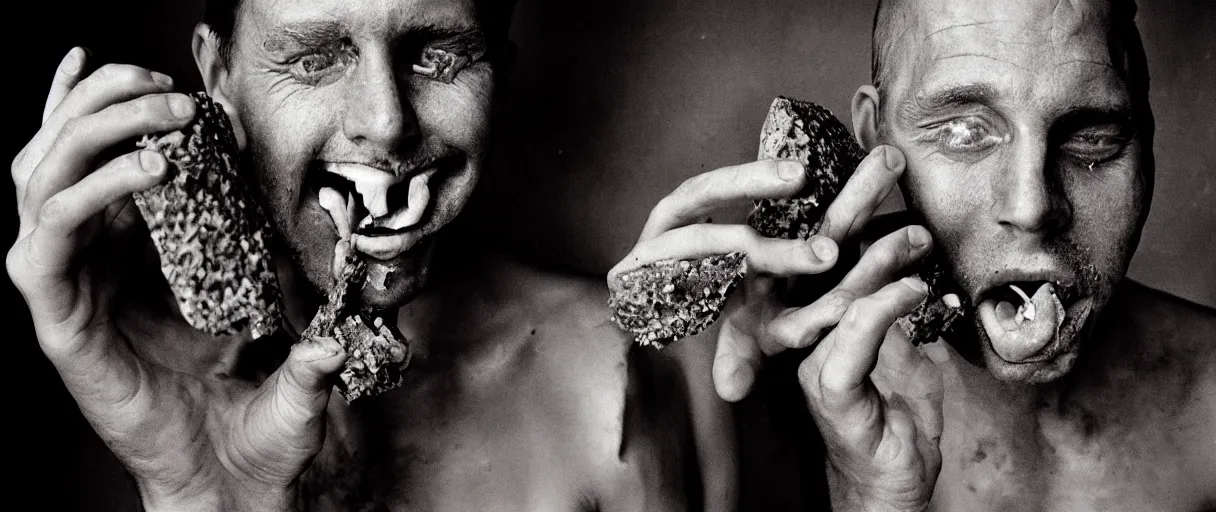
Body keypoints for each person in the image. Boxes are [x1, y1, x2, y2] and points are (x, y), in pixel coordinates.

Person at [7, 0, 736, 510]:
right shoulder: (131, 374)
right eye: (315, 58)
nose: (385, 123)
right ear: (218, 80)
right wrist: (194, 496)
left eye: (437, 52)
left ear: (500, 76)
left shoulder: (639, 378)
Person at [612, 0, 1216, 510]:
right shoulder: (747, 399)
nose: (1032, 206)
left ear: (1147, 137)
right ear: (876, 139)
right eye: (961, 133)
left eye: (1093, 138)